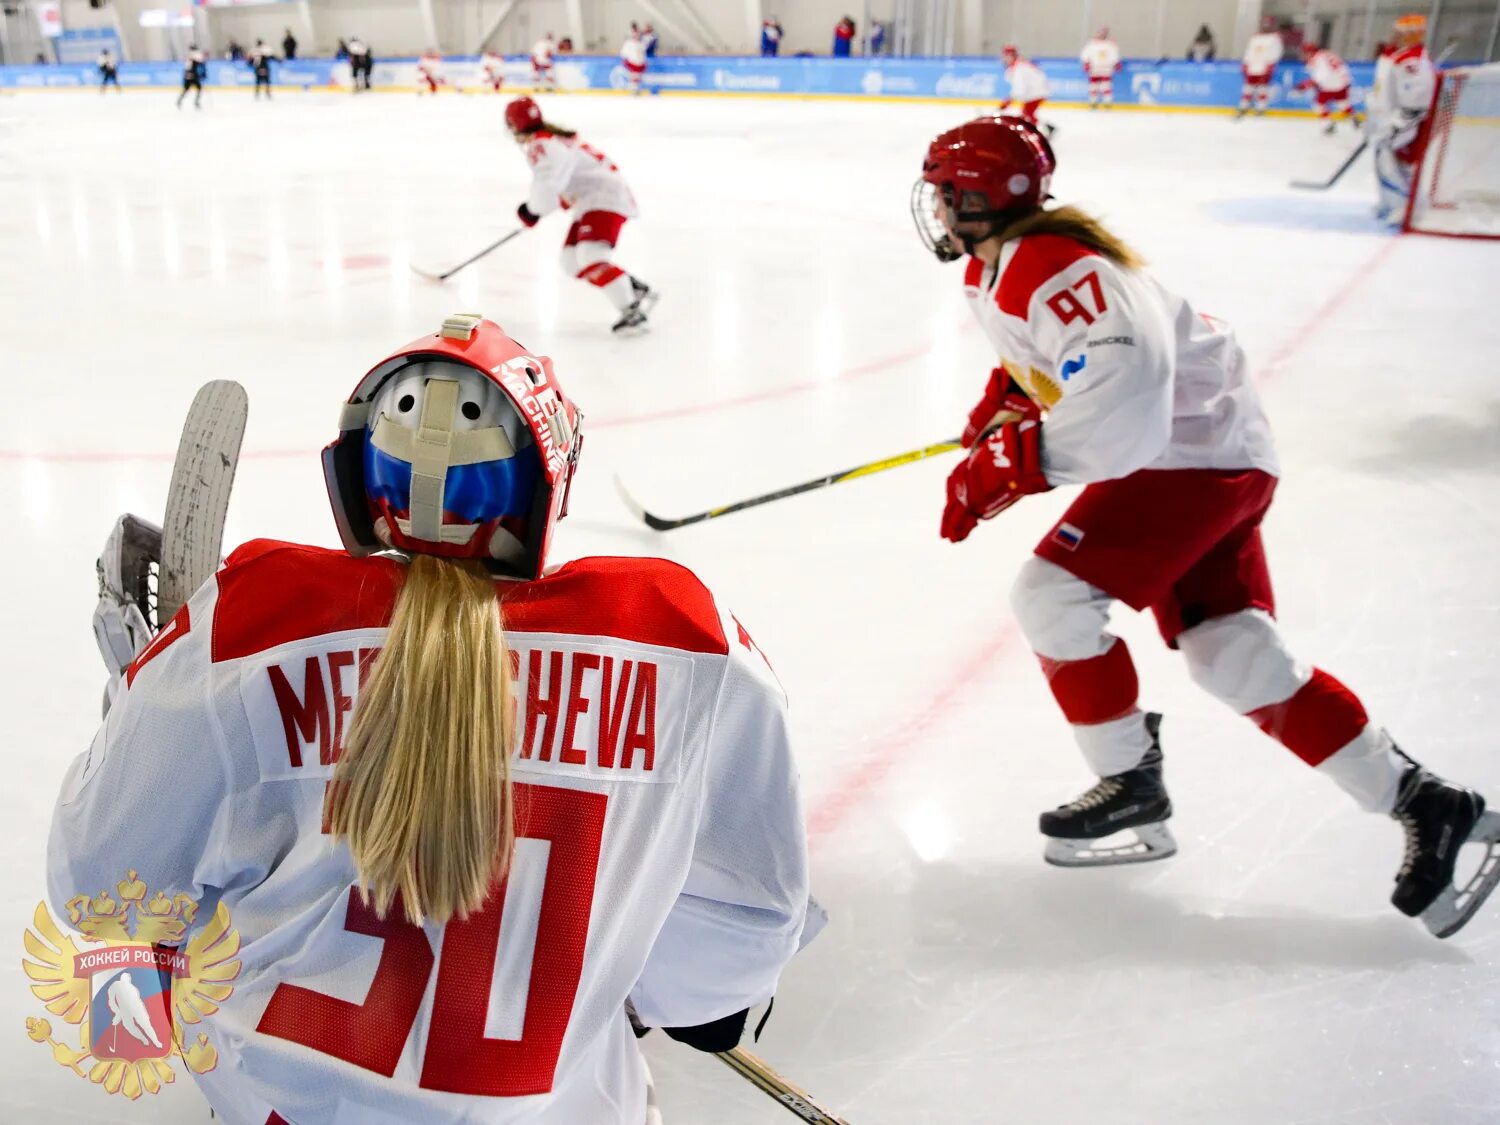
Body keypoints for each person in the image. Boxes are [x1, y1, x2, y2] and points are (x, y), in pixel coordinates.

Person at [56, 314, 812, 1121]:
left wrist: (140, 722)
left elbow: (103, 896)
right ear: (543, 482)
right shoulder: (680, 637)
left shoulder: (248, 625)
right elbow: (723, 978)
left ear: (357, 474)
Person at [909, 114, 1500, 938]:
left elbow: (1125, 404)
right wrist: (1006, 405)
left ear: (980, 196)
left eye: (945, 193)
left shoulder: (1052, 264)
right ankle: (1428, 802)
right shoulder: (1001, 266)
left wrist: (1011, 464)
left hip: (1192, 460)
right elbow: (1051, 360)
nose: (935, 207)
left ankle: (1129, 779)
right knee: (1233, 655)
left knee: (1050, 596)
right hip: (1220, 455)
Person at [507, 97, 658, 333]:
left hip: (604, 197)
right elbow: (566, 180)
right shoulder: (553, 139)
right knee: (570, 261)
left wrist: (532, 210)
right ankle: (631, 287)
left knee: (591, 255)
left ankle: (632, 312)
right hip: (594, 199)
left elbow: (548, 187)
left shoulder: (541, 145)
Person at [1367, 13, 1436, 225]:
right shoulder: (1398, 56)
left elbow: (1415, 100)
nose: (1393, 35)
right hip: (1388, 120)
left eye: (1399, 32)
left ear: (1411, 34)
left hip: (1403, 123)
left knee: (1397, 165)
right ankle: (1391, 203)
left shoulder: (1411, 61)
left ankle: (1405, 207)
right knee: (1387, 162)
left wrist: (1397, 125)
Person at [1298, 40, 1359, 134]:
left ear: (1310, 52)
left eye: (1305, 52)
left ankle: (1328, 125)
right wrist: (1346, 81)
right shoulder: (1325, 54)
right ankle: (1353, 118)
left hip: (1331, 84)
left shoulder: (1317, 59)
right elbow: (1341, 67)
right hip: (1343, 82)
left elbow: (1322, 76)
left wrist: (1306, 84)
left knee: (1318, 105)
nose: (1303, 55)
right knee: (1342, 103)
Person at [1238, 15, 1283, 118]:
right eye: (1265, 24)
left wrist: (1271, 64)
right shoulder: (1255, 37)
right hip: (1253, 66)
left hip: (1265, 66)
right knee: (1248, 87)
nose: (1266, 26)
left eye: (1269, 24)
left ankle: (1261, 108)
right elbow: (1249, 51)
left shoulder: (1275, 38)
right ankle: (1243, 107)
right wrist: (1246, 63)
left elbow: (1276, 52)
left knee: (1263, 87)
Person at [999, 44, 1050, 131]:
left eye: (1006, 55)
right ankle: (1047, 129)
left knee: (1027, 115)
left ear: (1012, 55)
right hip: (1036, 92)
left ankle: (1039, 131)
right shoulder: (1019, 65)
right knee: (1027, 114)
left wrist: (1009, 100)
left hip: (1036, 93)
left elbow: (1020, 88)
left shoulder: (1019, 68)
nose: (1004, 58)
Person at [1079, 26, 1120, 109]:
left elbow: (1114, 54)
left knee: (1106, 86)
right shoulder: (1091, 44)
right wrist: (1086, 63)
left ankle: (1107, 102)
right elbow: (1085, 54)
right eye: (1100, 32)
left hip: (1106, 67)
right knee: (1093, 86)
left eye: (1104, 33)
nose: (1101, 34)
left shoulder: (1110, 44)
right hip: (1094, 67)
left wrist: (1116, 63)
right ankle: (1093, 102)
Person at [177, 44, 206, 110]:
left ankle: (180, 101)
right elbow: (199, 62)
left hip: (189, 75)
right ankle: (196, 102)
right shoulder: (193, 57)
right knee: (198, 88)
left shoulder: (189, 56)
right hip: (192, 75)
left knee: (187, 89)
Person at [620, 28, 647, 95]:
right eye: (635, 34)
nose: (636, 36)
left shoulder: (641, 44)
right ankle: (634, 89)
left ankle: (635, 89)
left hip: (640, 63)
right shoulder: (628, 43)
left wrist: (643, 61)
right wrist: (626, 60)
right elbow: (623, 53)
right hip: (632, 62)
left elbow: (643, 53)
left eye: (637, 35)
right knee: (634, 76)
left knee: (637, 77)